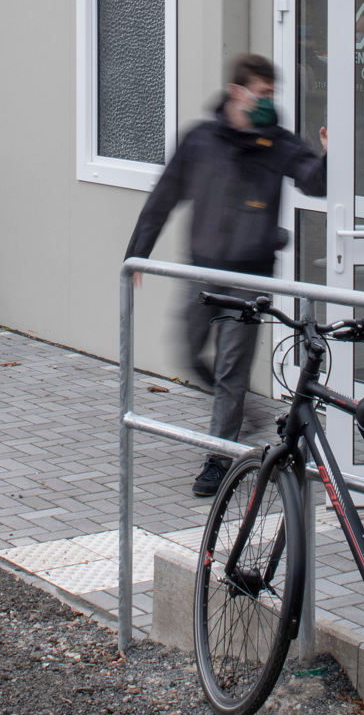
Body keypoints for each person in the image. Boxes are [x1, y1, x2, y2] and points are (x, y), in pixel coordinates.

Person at [124, 52, 327, 496]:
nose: (269, 101)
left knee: (231, 370)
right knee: (189, 353)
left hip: (249, 278)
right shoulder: (201, 140)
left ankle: (218, 459)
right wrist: (136, 255)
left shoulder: (278, 143)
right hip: (202, 272)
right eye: (263, 93)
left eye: (273, 94)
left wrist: (330, 156)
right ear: (239, 92)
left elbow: (315, 181)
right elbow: (164, 197)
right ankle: (241, 416)